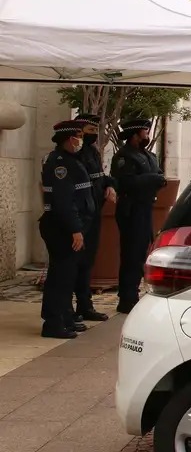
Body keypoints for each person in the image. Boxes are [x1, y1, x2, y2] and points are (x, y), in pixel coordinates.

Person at [39, 120, 95, 339]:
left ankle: (65, 318)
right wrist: (75, 229)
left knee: (67, 275)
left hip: (69, 226)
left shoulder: (72, 160)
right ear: (68, 139)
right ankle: (53, 323)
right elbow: (63, 201)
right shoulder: (60, 164)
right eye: (77, 137)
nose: (80, 141)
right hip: (61, 227)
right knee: (60, 277)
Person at [111, 118, 166, 314]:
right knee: (131, 254)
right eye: (144, 132)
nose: (147, 135)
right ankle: (127, 298)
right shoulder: (124, 157)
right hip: (131, 209)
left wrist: (154, 179)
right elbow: (126, 182)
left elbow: (159, 176)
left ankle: (134, 293)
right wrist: (151, 179)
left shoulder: (148, 156)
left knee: (143, 252)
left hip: (145, 207)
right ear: (135, 135)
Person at [71, 113, 115, 323]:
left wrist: (110, 185)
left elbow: (100, 176)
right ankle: (69, 308)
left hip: (94, 211)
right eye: (89, 131)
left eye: (95, 131)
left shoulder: (92, 151)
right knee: (75, 263)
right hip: (81, 215)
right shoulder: (75, 154)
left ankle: (84, 305)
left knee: (88, 262)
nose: (94, 135)